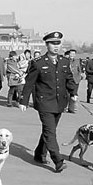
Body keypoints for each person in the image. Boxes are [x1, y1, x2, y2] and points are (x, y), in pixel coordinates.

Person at [19, 31, 77, 173]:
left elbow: (69, 79)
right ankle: (58, 160)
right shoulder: (38, 63)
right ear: (47, 45)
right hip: (44, 103)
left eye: (58, 43)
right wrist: (23, 101)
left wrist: (73, 93)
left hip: (60, 102)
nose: (56, 46)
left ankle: (39, 154)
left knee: (48, 130)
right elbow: (29, 83)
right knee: (50, 132)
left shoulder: (64, 61)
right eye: (53, 43)